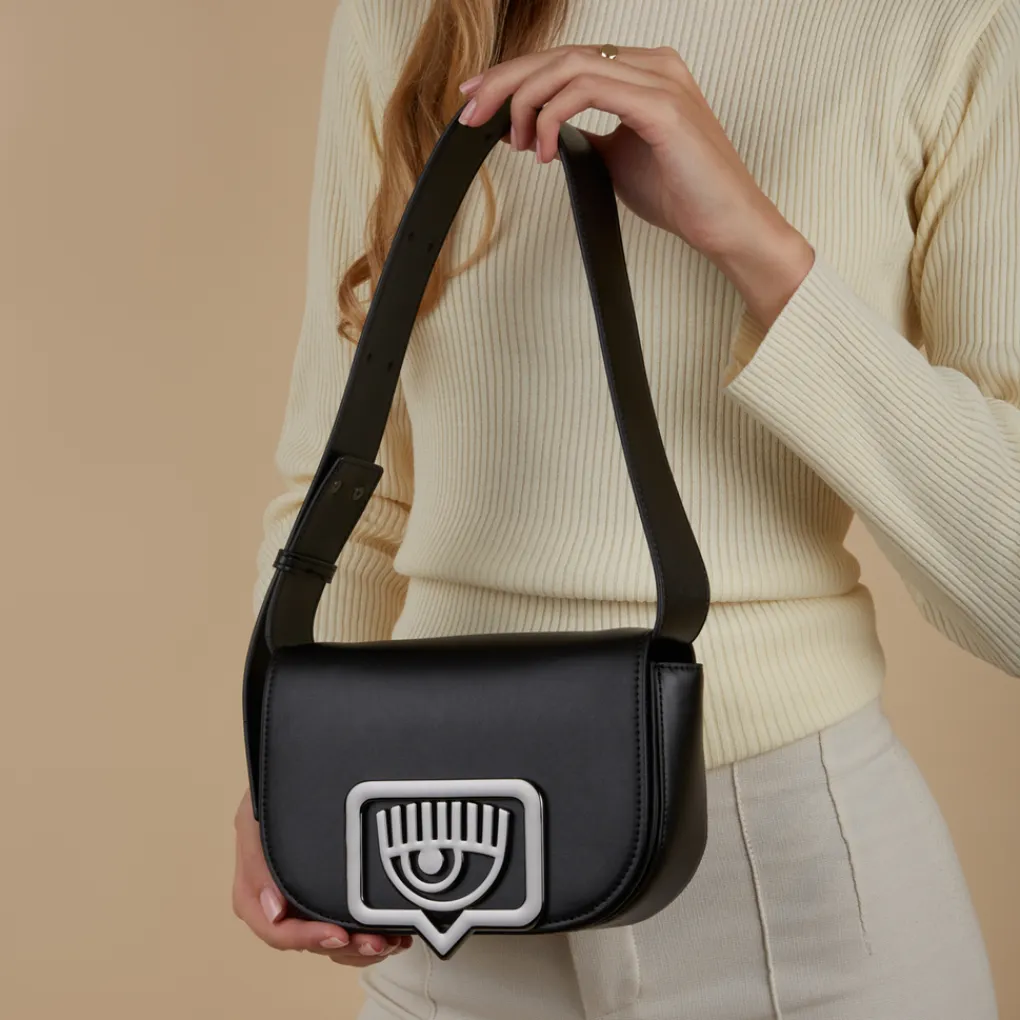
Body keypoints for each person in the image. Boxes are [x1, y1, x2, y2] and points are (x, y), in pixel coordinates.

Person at [232, 0, 1019, 1016]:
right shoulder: (415, 13)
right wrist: (288, 766)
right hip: (435, 849)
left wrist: (759, 247)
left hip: (785, 876)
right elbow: (347, 487)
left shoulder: (954, 23)